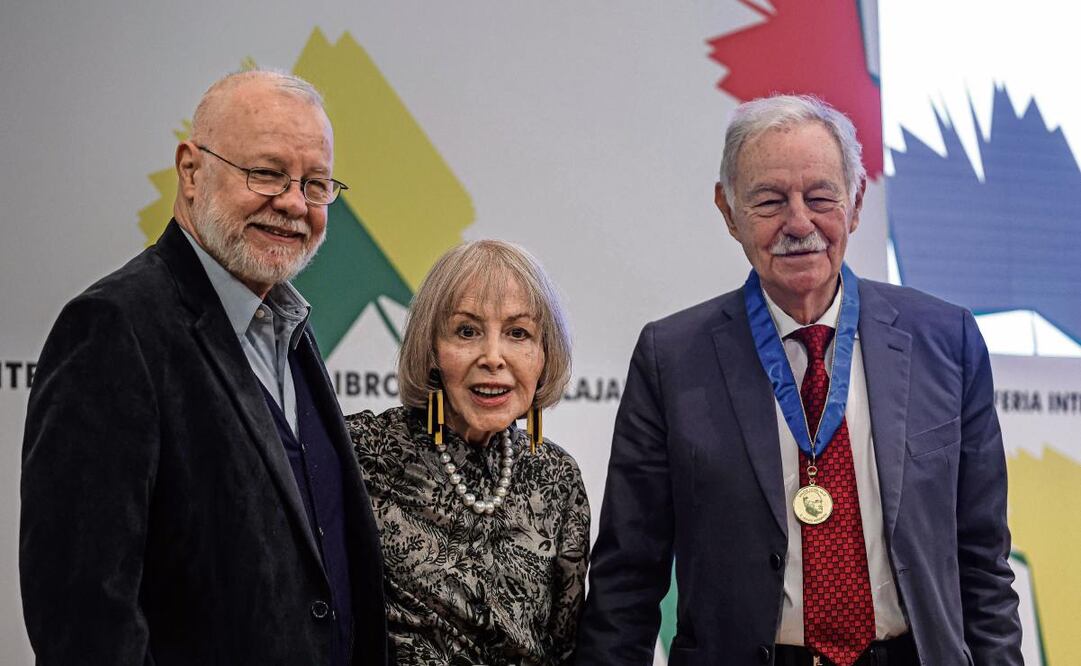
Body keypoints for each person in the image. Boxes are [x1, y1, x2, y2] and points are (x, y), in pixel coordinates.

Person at [575, 94, 1022, 666]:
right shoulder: (671, 359)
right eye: (768, 200)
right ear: (728, 210)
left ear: (856, 203)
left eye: (820, 197)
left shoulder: (946, 341)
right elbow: (627, 579)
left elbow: (983, 562)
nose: (798, 223)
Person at [20, 70, 387, 665]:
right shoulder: (112, 330)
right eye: (267, 173)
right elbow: (83, 619)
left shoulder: (289, 326)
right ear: (191, 170)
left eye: (315, 184)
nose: (294, 203)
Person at [347, 240, 590, 666]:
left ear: (543, 354)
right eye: (467, 331)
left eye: (518, 333)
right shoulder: (363, 452)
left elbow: (565, 650)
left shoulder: (557, 479)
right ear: (432, 351)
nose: (493, 357)